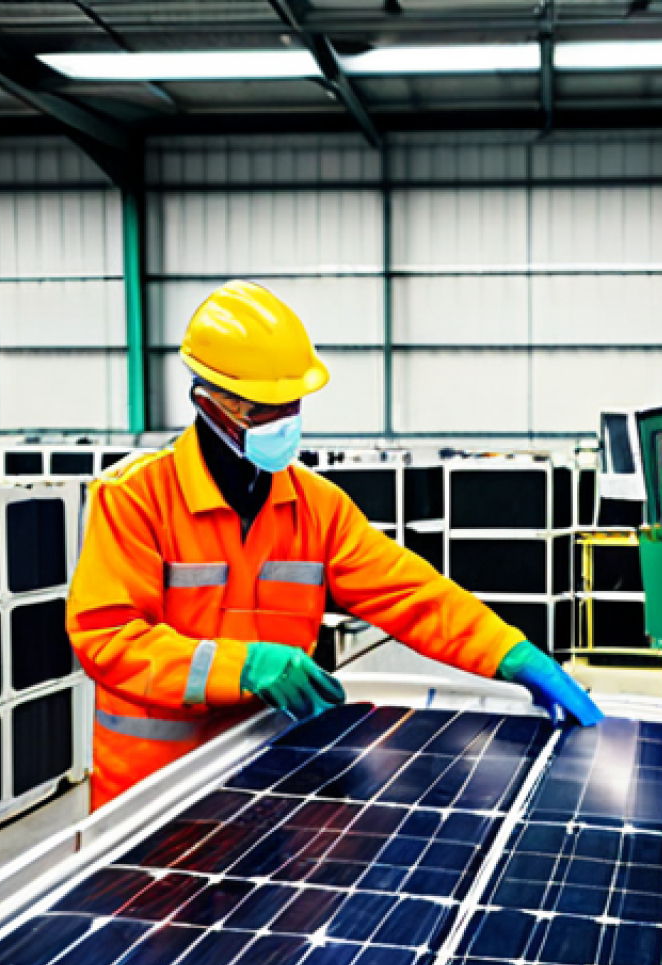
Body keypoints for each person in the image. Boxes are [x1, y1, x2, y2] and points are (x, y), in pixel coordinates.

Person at [67, 280, 602, 810]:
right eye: (263, 408)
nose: (283, 421)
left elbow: (413, 593)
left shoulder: (314, 505)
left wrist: (511, 653)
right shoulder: (134, 497)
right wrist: (244, 666)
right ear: (208, 402)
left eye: (292, 404)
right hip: (154, 794)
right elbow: (108, 639)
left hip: (267, 769)